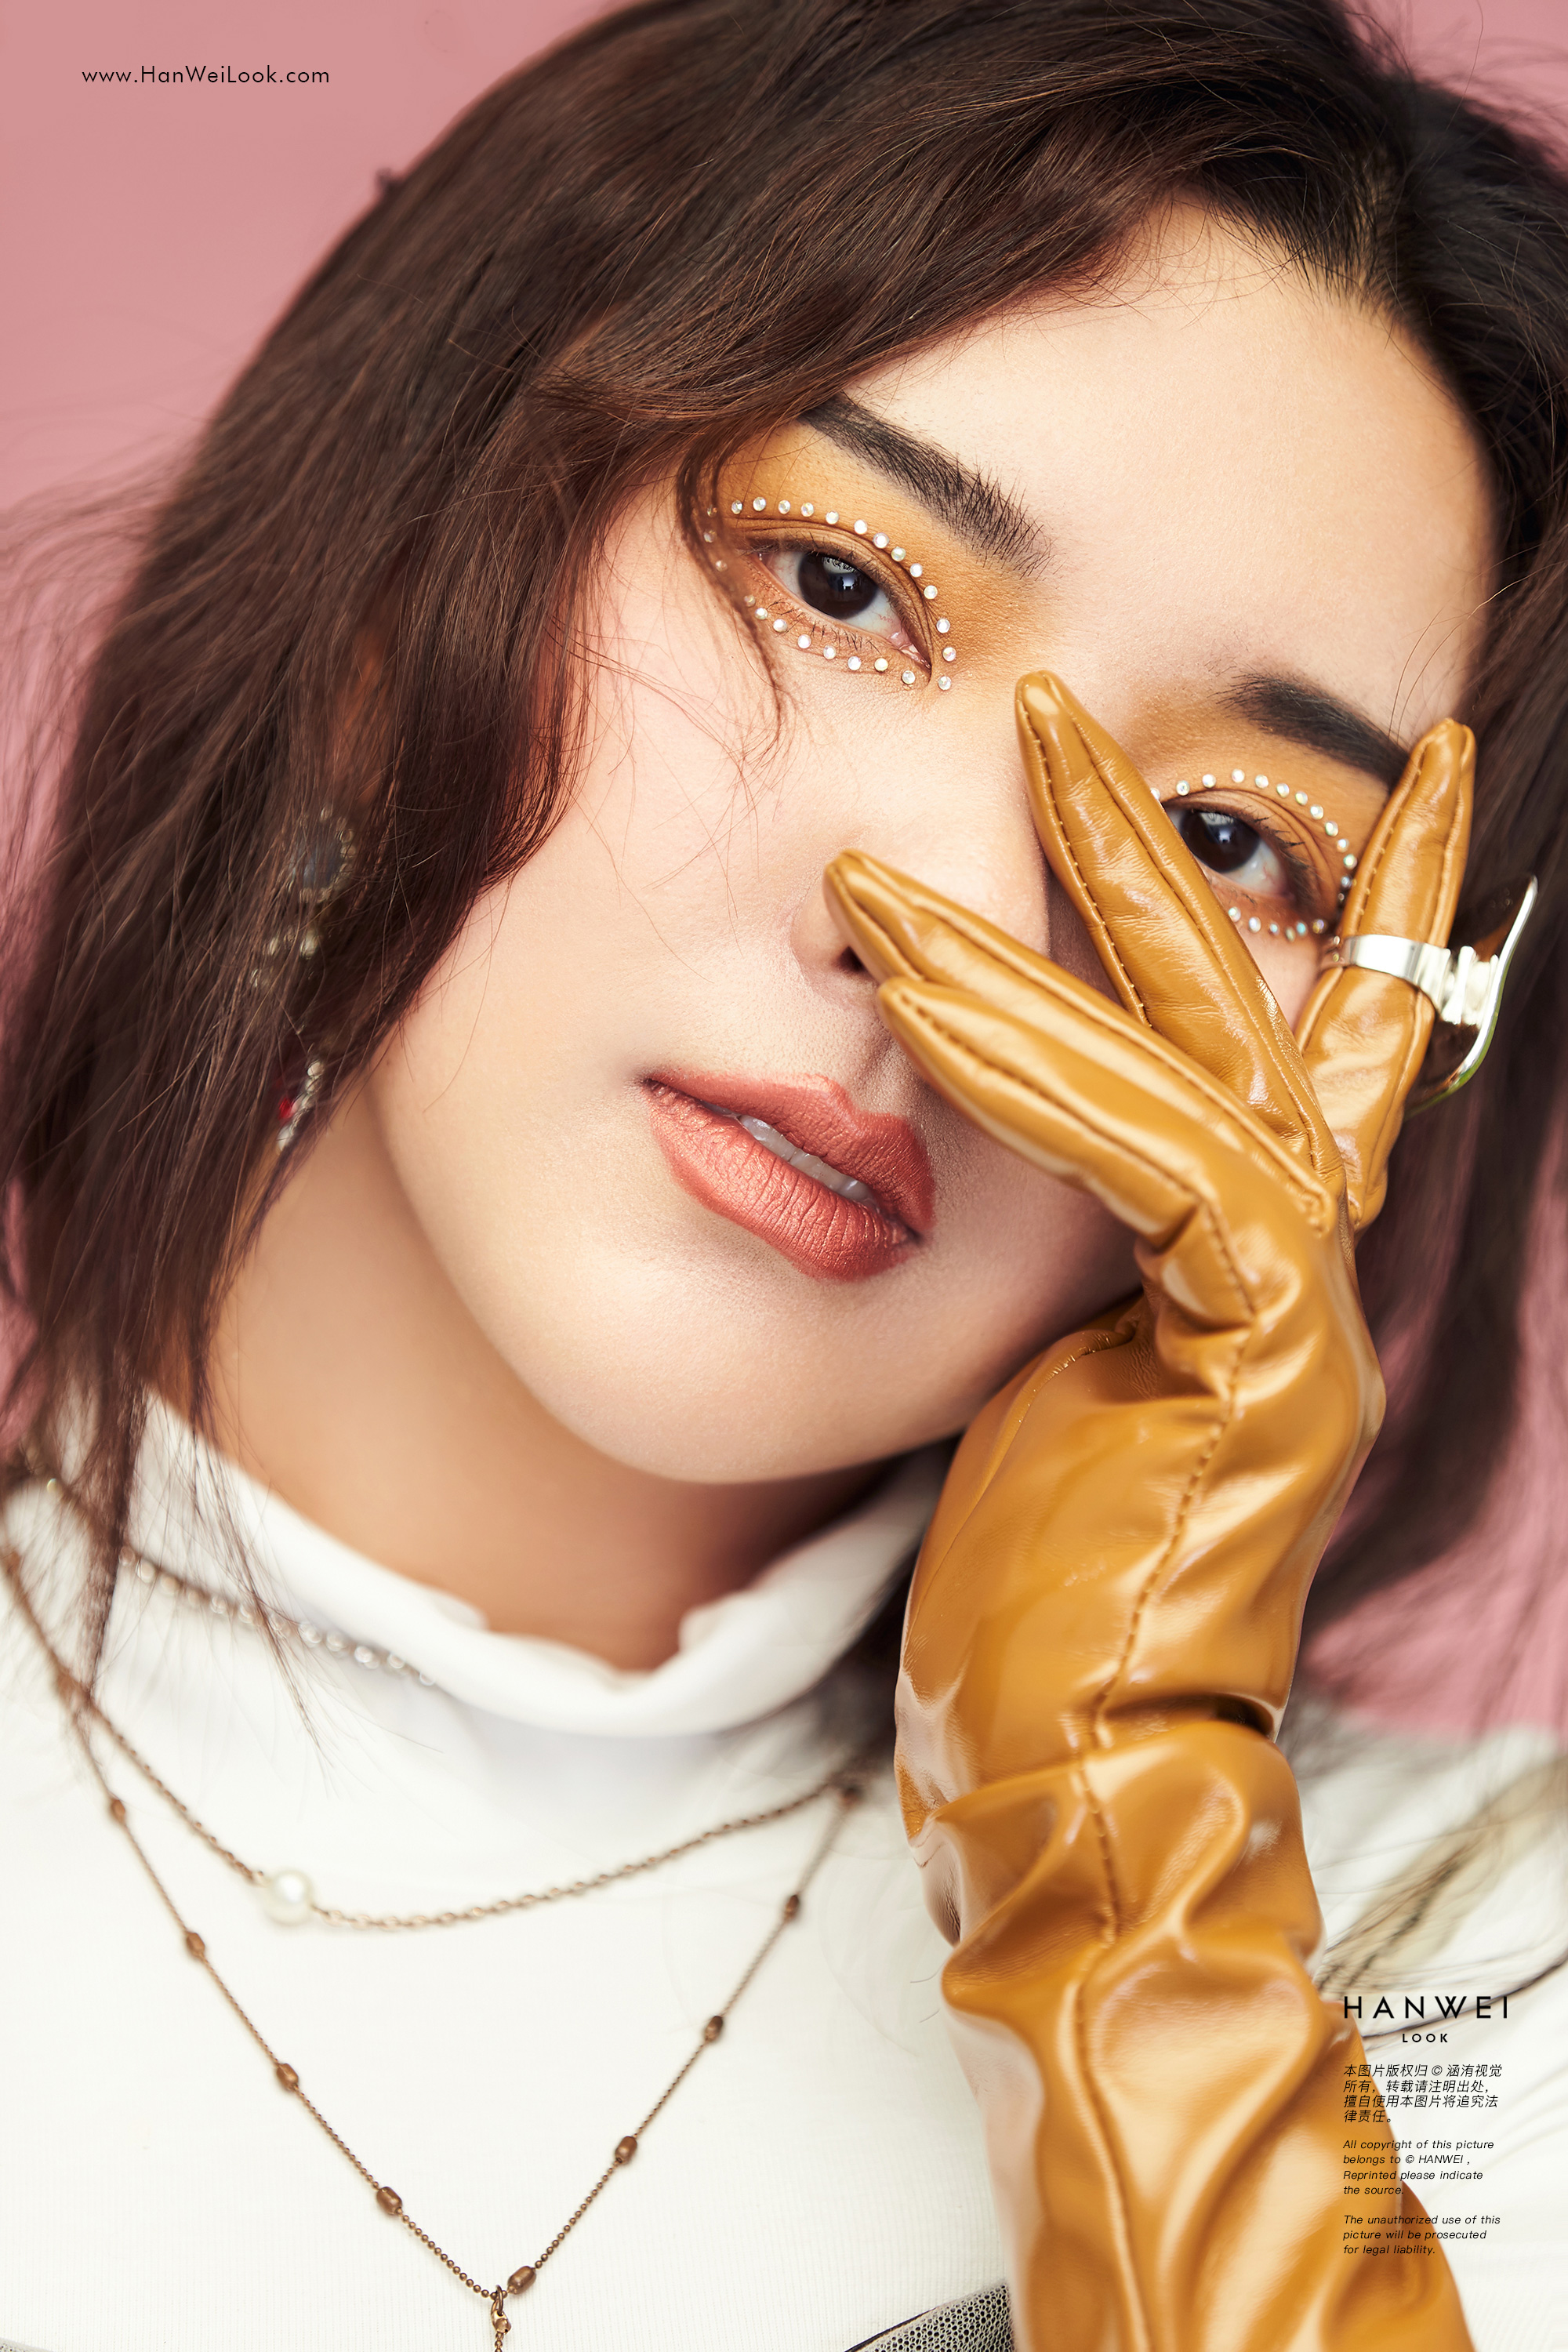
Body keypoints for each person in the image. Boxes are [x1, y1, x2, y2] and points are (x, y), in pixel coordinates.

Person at [2, 2, 1566, 2346]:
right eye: (843, 587)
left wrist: (1124, 1891)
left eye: (1236, 846)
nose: (951, 921)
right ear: (386, 603)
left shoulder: (1483, 1978)